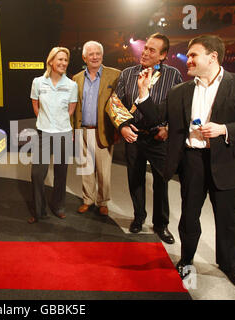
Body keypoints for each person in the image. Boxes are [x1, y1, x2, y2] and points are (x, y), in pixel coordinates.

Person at [136, 35, 235, 290]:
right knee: (189, 217)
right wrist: (143, 94)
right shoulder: (179, 91)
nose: (188, 60)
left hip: (227, 162)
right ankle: (186, 260)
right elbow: (156, 118)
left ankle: (229, 265)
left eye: (193, 55)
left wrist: (224, 129)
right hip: (192, 162)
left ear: (212, 57)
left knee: (227, 220)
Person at [116, 33, 182, 244]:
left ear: (163, 55)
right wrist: (123, 126)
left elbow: (180, 108)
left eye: (152, 50)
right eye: (145, 48)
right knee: (135, 180)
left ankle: (161, 224)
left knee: (161, 182)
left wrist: (169, 128)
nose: (145, 52)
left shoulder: (173, 75)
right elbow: (115, 103)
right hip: (133, 136)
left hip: (159, 138)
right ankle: (138, 217)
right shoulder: (127, 73)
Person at [28, 47, 78, 224]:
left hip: (63, 133)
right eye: (60, 59)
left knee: (61, 173)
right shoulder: (38, 82)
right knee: (37, 174)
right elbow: (36, 106)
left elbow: (70, 111)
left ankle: (58, 206)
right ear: (51, 61)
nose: (63, 63)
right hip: (43, 133)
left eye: (66, 60)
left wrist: (59, 124)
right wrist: (45, 121)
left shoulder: (72, 85)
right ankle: (39, 210)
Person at [72, 41, 121, 216]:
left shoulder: (115, 75)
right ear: (84, 57)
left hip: (103, 131)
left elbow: (119, 105)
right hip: (82, 130)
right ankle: (88, 200)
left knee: (103, 171)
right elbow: (74, 106)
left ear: (102, 55)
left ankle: (103, 202)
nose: (94, 57)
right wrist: (73, 131)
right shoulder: (76, 78)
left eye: (97, 53)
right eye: (91, 54)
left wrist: (118, 129)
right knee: (86, 168)